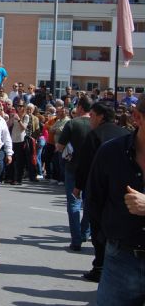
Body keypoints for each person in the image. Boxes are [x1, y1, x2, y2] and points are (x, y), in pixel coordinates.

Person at [87, 94, 145, 305]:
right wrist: (108, 241)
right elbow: (94, 201)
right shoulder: (111, 153)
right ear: (137, 117)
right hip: (121, 260)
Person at [74, 102, 130, 282]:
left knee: (99, 230)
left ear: (101, 116)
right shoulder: (126, 134)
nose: (90, 119)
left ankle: (99, 268)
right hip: (124, 190)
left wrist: (78, 186)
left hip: (99, 190)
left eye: (92, 116)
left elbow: (85, 164)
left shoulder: (95, 135)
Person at [56, 95, 92, 251]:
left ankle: (76, 239)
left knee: (73, 203)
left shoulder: (72, 123)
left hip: (73, 167)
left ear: (81, 108)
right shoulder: (96, 123)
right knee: (89, 202)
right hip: (91, 168)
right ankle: (85, 233)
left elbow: (60, 146)